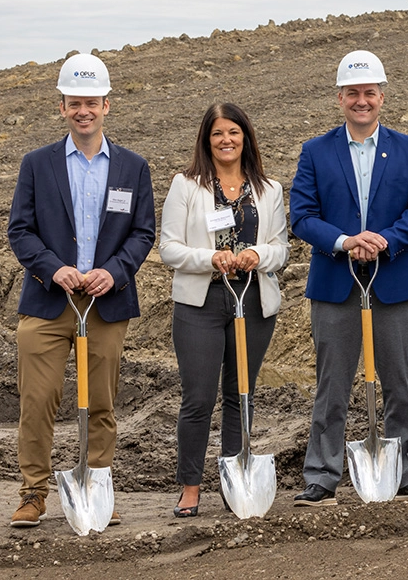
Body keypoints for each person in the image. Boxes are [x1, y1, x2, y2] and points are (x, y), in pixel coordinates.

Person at [8, 53, 155, 527]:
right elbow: (20, 230)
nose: (83, 110)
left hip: (106, 304)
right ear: (62, 107)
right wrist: (54, 269)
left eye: (92, 102)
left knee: (101, 403)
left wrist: (114, 271)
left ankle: (96, 489)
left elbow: (142, 233)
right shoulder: (37, 164)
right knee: (38, 400)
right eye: (75, 103)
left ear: (107, 105)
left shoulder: (133, 167)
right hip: (49, 302)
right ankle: (33, 491)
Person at [289, 50, 408, 505]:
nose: (361, 101)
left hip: (394, 279)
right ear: (340, 98)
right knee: (332, 383)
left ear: (381, 96)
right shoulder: (316, 151)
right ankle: (321, 473)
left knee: (400, 382)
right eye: (352, 93)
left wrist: (383, 239)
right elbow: (301, 215)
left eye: (369, 93)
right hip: (336, 283)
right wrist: (344, 241)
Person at [159, 103, 289, 517]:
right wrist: (209, 258)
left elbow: (281, 249)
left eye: (234, 132)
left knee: (241, 395)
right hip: (201, 302)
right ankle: (191, 487)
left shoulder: (269, 188)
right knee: (197, 398)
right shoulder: (186, 185)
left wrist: (256, 253)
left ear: (246, 137)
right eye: (218, 133)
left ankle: (235, 481)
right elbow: (169, 249)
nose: (226, 140)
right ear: (206, 139)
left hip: (252, 301)